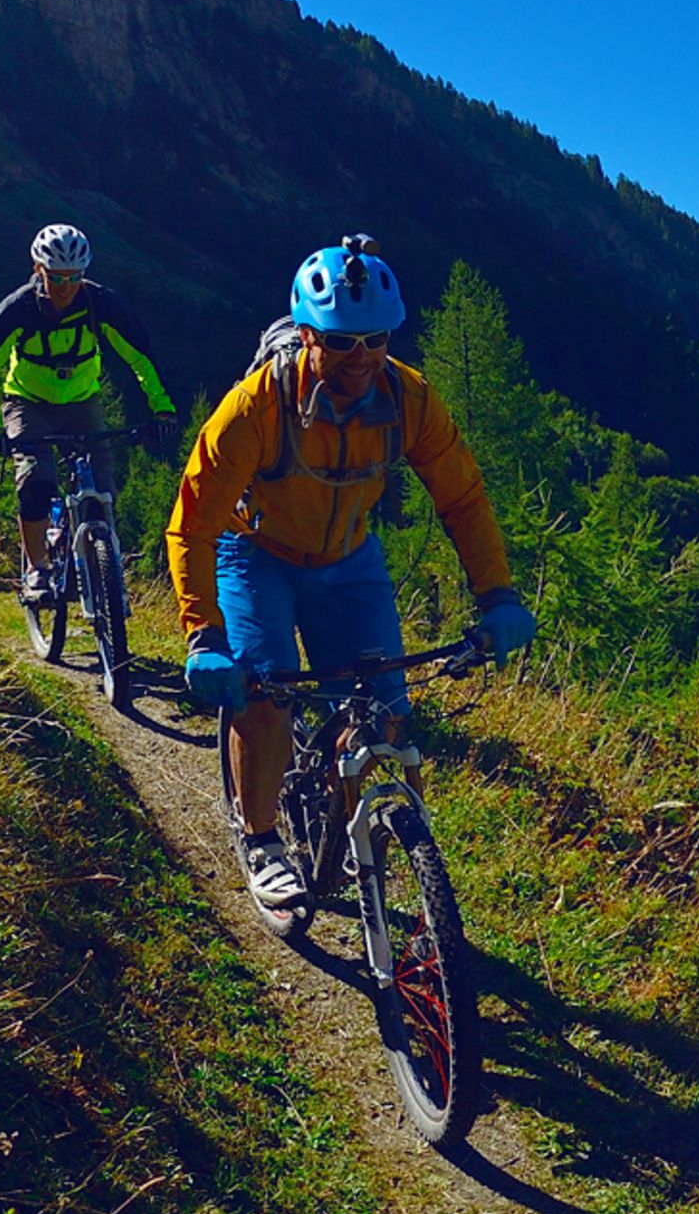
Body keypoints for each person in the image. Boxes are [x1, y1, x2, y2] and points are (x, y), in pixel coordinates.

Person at [168, 236, 539, 909]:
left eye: (376, 339)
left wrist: (498, 594)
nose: (362, 357)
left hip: (350, 558)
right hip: (257, 554)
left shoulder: (409, 400)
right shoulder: (254, 408)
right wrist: (203, 635)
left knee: (386, 718)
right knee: (266, 693)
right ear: (308, 336)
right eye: (341, 342)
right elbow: (192, 523)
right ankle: (261, 840)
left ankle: (366, 850)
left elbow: (462, 498)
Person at [0, 223, 178, 607]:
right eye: (56, 277)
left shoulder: (101, 305)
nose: (66, 285)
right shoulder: (18, 310)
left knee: (102, 488)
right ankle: (37, 570)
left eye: (75, 277)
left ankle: (110, 572)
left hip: (82, 402)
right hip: (27, 401)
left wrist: (161, 408)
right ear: (38, 270)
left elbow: (141, 358)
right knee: (35, 480)